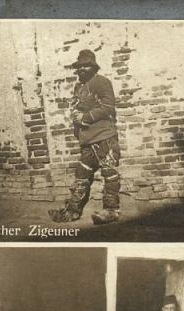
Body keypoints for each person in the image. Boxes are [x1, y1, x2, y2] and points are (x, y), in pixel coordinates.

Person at [50, 49, 122, 225]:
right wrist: (75, 118)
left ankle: (111, 211)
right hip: (88, 140)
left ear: (94, 67)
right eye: (80, 66)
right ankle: (73, 211)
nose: (82, 68)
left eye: (86, 65)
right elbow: (78, 109)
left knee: (109, 173)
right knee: (81, 175)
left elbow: (108, 107)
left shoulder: (102, 82)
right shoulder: (79, 87)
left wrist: (85, 117)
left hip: (104, 137)